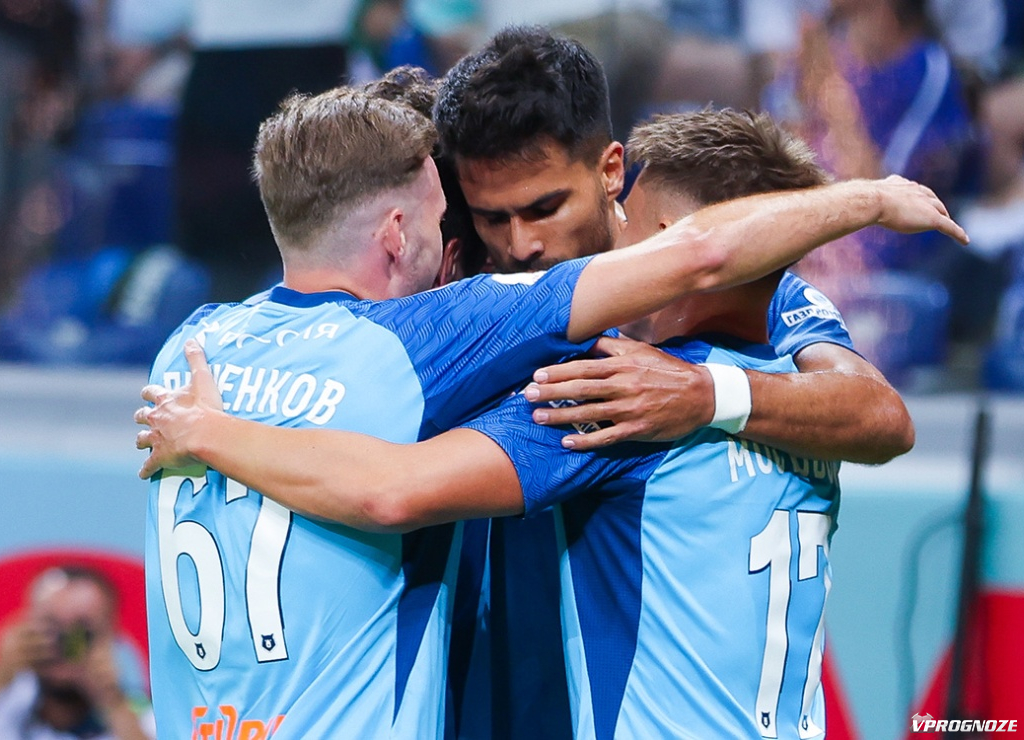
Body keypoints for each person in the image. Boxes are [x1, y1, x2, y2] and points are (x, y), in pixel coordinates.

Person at [136, 82, 959, 737]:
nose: (507, 247)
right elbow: (876, 414)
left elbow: (394, 488)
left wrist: (213, 432)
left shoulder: (189, 346)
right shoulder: (781, 375)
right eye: (464, 221)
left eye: (621, 218)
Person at [0, 566, 155, 740]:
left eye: (81, 631)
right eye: (50, 626)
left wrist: (114, 703)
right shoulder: (9, 699)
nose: (63, 645)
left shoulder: (147, 716)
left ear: (111, 637)